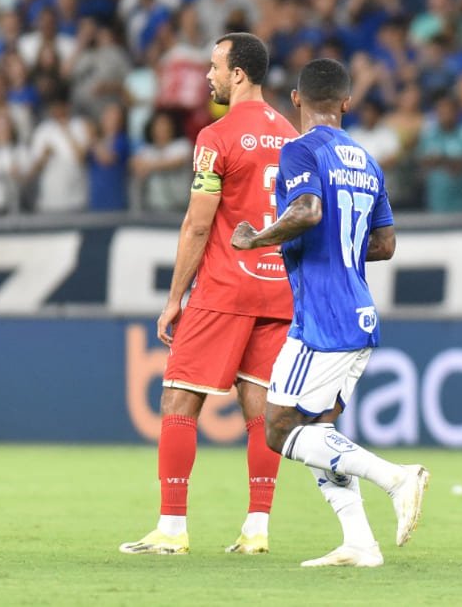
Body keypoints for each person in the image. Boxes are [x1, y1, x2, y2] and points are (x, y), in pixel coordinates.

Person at [230, 58, 430, 568]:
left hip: (322, 316)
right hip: (357, 307)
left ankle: (395, 477)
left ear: (294, 100)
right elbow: (384, 245)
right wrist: (339, 250)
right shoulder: (367, 161)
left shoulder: (300, 150)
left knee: (278, 430)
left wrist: (258, 238)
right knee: (316, 429)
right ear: (346, 103)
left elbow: (307, 212)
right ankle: (359, 542)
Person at [119, 33, 297, 557]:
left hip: (223, 287)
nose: (208, 76)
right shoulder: (293, 137)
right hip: (277, 289)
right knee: (261, 410)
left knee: (178, 399)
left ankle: (172, 530)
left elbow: (198, 226)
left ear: (238, 74)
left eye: (215, 66)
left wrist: (175, 298)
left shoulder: (214, 137)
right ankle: (257, 529)